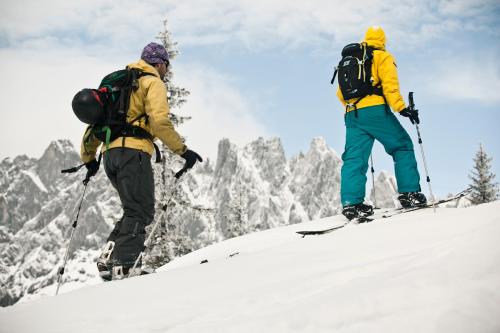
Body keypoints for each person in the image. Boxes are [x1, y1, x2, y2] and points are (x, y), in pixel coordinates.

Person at [80, 42, 202, 280]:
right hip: (133, 154)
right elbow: (159, 122)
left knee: (132, 209)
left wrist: (89, 159)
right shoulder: (151, 81)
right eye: (166, 65)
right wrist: (183, 151)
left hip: (110, 156)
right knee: (141, 211)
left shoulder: (119, 84)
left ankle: (108, 259)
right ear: (159, 63)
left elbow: (93, 125)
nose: (167, 70)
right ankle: (125, 266)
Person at [337, 26, 426, 220]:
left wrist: (356, 105)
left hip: (352, 114)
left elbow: (340, 94)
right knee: (402, 146)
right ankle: (410, 193)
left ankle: (351, 203)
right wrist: (402, 108)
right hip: (376, 111)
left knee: (354, 158)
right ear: (383, 41)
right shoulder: (382, 57)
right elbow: (390, 86)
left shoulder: (351, 59)